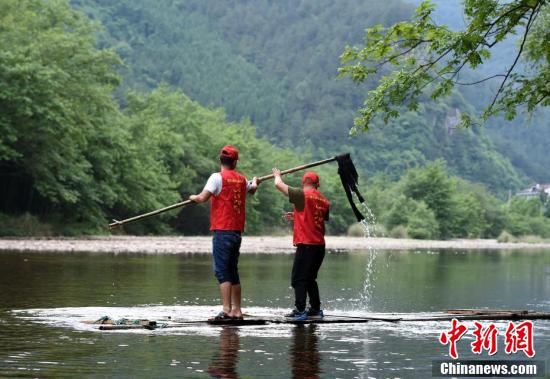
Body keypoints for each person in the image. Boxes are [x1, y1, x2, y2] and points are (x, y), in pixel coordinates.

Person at [189, 145, 258, 320]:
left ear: (220, 160)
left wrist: (192, 198)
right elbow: (252, 189)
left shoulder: (216, 177)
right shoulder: (242, 180)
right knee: (232, 270)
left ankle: (227, 310)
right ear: (235, 162)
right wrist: (255, 182)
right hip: (236, 232)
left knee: (222, 271)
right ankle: (237, 311)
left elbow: (202, 198)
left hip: (222, 231)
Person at [272, 168, 330, 321]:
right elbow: (316, 217)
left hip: (307, 245)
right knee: (310, 278)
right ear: (317, 185)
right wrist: (297, 215)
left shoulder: (302, 194)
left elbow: (279, 185)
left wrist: (277, 176)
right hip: (319, 246)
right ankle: (316, 309)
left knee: (298, 279)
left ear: (303, 183)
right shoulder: (324, 200)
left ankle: (300, 310)